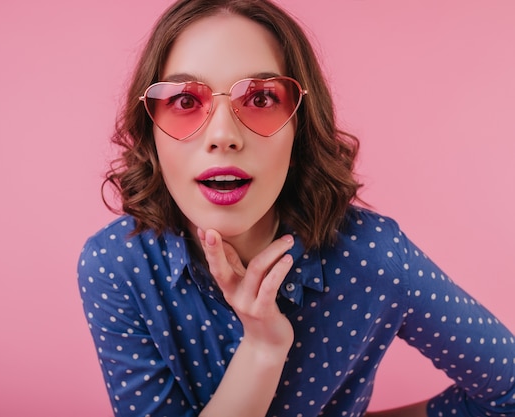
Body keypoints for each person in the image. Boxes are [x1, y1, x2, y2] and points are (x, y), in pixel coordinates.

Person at [77, 0, 515, 416]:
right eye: (186, 102)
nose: (223, 136)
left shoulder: (374, 258)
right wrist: (263, 349)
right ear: (150, 129)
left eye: (262, 99)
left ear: (300, 128)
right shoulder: (117, 266)